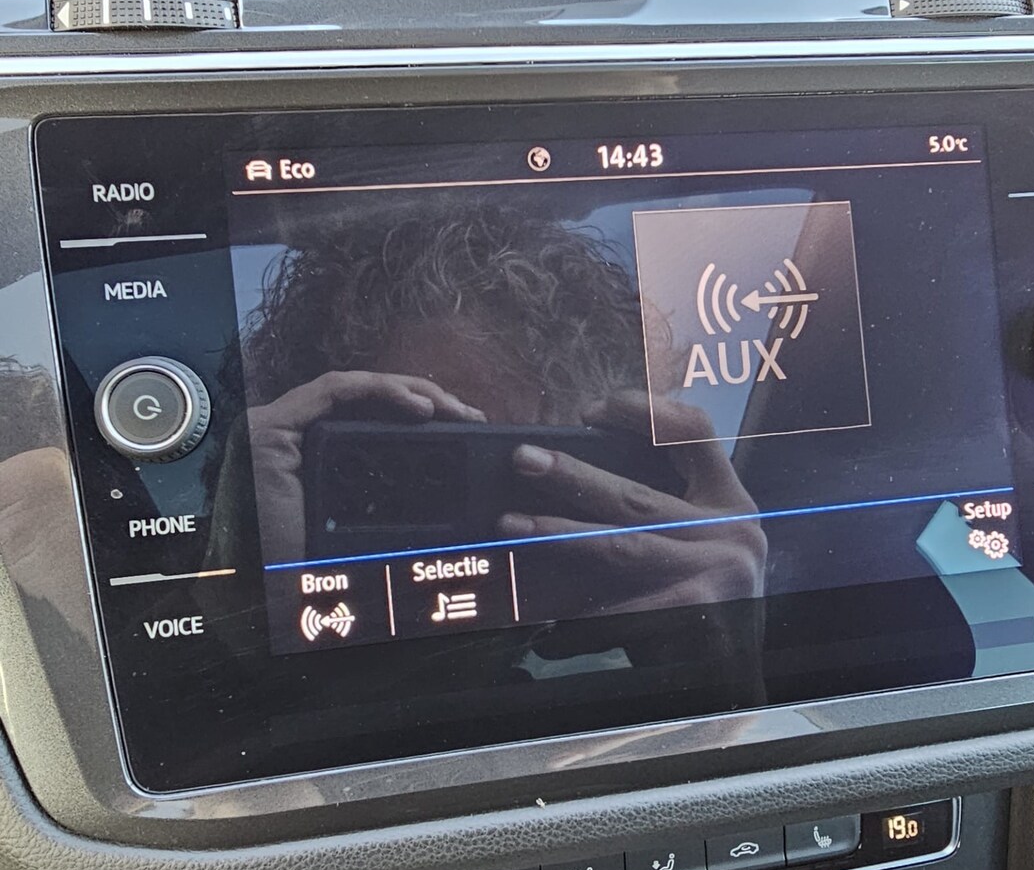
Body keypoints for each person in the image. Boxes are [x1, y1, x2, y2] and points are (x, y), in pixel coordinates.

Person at [239, 203, 767, 620]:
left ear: (624, 481)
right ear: (298, 474)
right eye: (409, 470)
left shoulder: (636, 622)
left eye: (528, 485)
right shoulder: (275, 583)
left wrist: (717, 678)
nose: (479, 545)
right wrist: (251, 607)